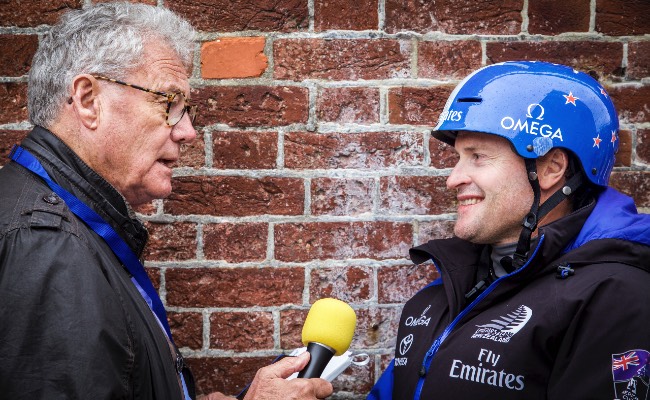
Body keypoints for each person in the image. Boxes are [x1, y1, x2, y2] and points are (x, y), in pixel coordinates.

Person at [0, 3, 332, 400]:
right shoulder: (46, 244)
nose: (188, 131)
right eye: (168, 103)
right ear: (88, 100)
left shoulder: (59, 225)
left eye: (185, 109)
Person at [368, 61, 650, 399]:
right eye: (458, 158)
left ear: (551, 169)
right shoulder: (446, 291)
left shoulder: (615, 298)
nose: (453, 179)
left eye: (478, 157)